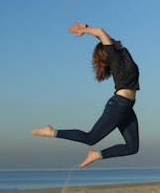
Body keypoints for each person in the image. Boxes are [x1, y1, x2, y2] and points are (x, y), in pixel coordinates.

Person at [31, 22, 140, 168]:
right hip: (119, 105)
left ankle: (95, 155)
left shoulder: (122, 52)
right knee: (91, 138)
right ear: (108, 49)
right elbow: (101, 32)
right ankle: (51, 131)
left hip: (127, 108)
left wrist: (89, 28)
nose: (112, 39)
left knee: (132, 147)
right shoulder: (115, 58)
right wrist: (87, 29)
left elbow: (107, 37)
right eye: (109, 40)